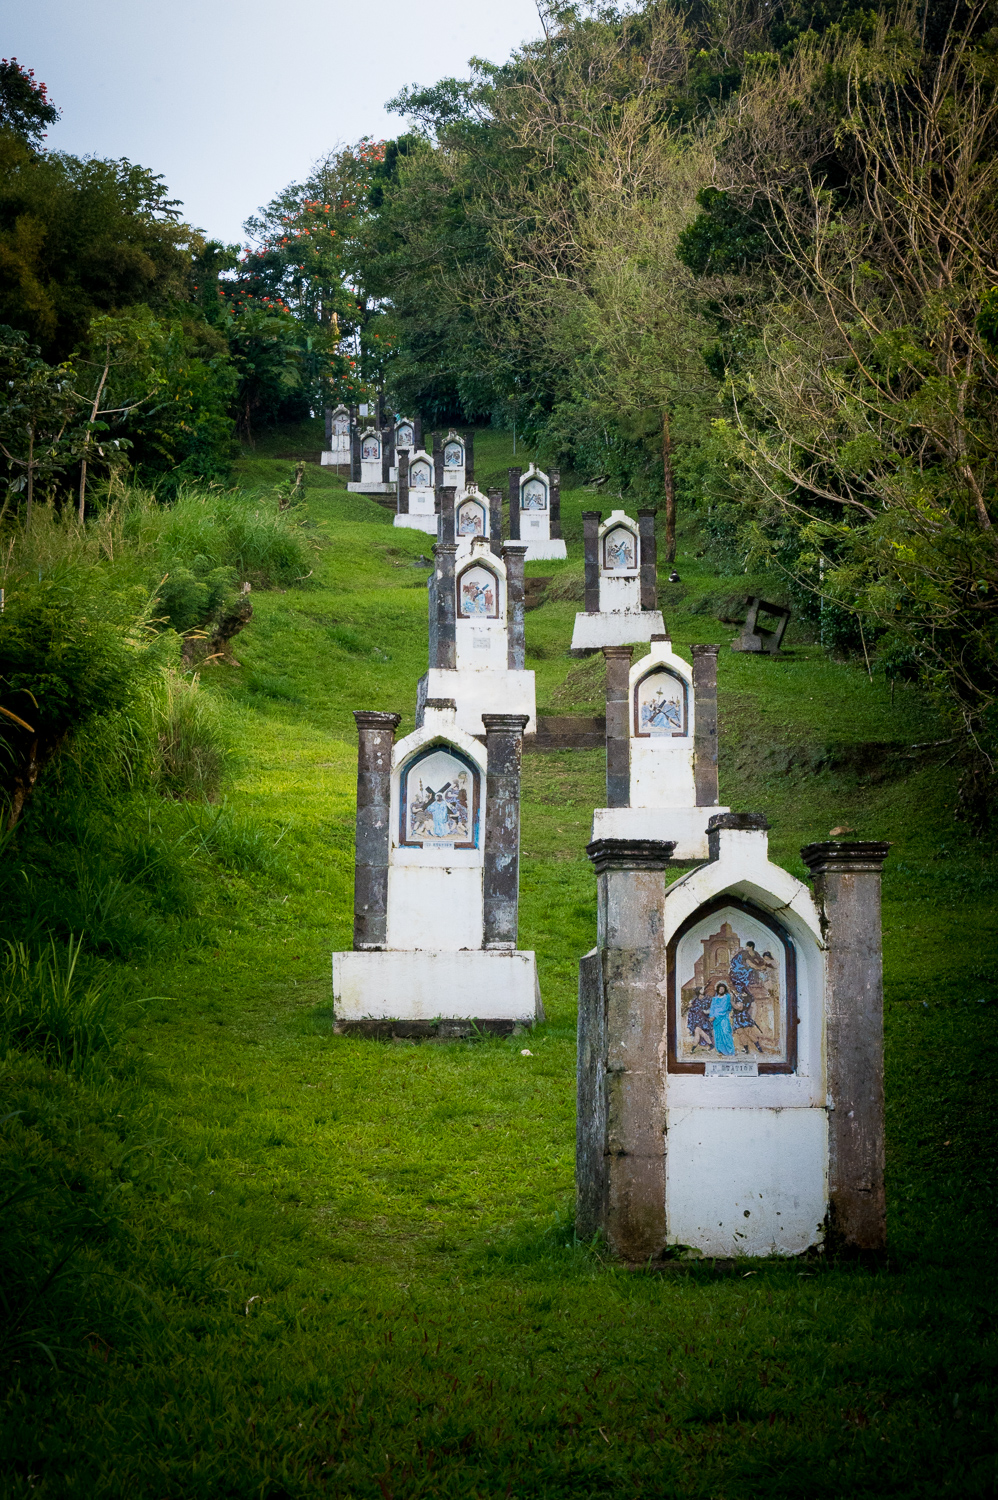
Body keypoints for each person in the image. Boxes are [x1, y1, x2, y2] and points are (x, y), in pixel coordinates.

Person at [708, 983, 735, 1055]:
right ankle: (720, 1050)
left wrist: (715, 1015)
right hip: (715, 1019)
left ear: (724, 990)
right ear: (718, 989)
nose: (721, 990)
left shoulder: (727, 997)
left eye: (722, 989)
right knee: (718, 1035)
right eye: (720, 989)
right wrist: (711, 1016)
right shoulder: (714, 998)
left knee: (726, 1032)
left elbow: (725, 1008)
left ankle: (730, 1051)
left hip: (723, 1018)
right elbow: (712, 1008)